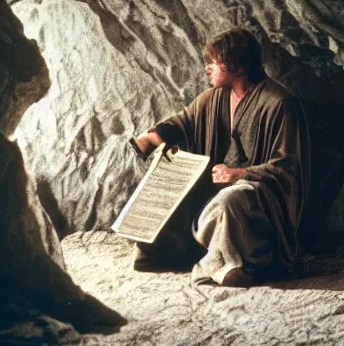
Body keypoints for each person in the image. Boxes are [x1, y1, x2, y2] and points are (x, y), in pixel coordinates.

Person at [131, 27, 310, 287]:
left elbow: (289, 167)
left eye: (215, 62)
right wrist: (150, 138)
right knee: (166, 183)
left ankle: (235, 265)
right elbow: (185, 121)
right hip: (211, 184)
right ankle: (163, 253)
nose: (208, 68)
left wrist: (242, 174)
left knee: (229, 200)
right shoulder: (214, 98)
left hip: (257, 194)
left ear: (238, 66)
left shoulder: (280, 103)